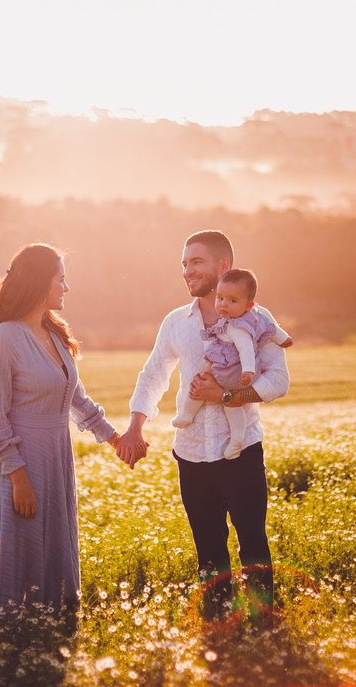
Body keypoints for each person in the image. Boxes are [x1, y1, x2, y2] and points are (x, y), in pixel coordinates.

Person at [116, 231, 290, 617]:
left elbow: (278, 382)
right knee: (209, 552)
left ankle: (265, 627)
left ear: (223, 266)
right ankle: (218, 627)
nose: (186, 271)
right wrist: (135, 426)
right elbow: (153, 375)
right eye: (184, 264)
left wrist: (226, 396)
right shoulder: (176, 322)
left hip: (241, 451)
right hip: (191, 455)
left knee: (253, 546)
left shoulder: (257, 321)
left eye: (196, 262)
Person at [0, 243, 121, 615]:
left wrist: (116, 438)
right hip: (19, 463)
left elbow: (76, 398)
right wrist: (18, 478)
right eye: (60, 280)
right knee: (20, 542)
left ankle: (51, 612)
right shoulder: (4, 337)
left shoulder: (54, 333)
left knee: (53, 538)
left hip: (56, 455)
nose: (66, 288)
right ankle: (10, 621)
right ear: (39, 282)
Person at [171, 268, 293, 460]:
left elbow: (246, 349)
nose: (223, 304)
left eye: (232, 301)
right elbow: (273, 329)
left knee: (203, 380)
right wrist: (285, 339)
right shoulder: (257, 316)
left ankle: (188, 414)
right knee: (231, 404)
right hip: (229, 366)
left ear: (248, 305)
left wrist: (248, 371)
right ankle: (236, 439)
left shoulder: (238, 327)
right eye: (220, 298)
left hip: (233, 369)